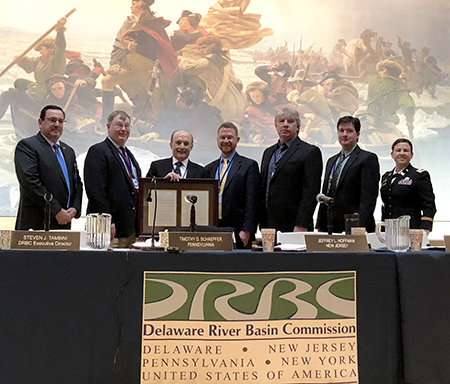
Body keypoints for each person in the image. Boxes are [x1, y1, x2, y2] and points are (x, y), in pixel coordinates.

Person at [14, 105, 83, 230]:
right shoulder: (28, 146)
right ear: (40, 123)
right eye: (52, 120)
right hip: (37, 224)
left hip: (64, 223)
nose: (57, 124)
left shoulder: (68, 151)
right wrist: (56, 210)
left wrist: (75, 208)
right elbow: (30, 183)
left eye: (60, 121)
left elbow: (77, 183)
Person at [84, 110, 141, 248]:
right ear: (108, 127)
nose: (123, 129)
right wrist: (106, 221)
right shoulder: (98, 151)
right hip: (109, 230)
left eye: (127, 126)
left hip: (130, 229)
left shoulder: (128, 154)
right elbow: (95, 191)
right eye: (119, 125)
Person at [260, 107, 322, 233]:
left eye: (291, 121)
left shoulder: (309, 152)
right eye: (282, 121)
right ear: (276, 126)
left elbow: (311, 191)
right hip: (268, 223)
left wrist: (302, 224)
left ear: (298, 126)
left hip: (294, 225)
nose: (285, 125)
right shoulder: (268, 152)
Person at [316, 116, 380, 233]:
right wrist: (320, 224)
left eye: (349, 131)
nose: (344, 134)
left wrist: (359, 227)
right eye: (341, 130)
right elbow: (326, 194)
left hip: (354, 225)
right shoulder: (331, 161)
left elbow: (368, 198)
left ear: (358, 134)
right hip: (330, 225)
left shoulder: (367, 158)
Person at [205, 122, 260, 248]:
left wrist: (247, 229)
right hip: (213, 229)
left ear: (237, 140)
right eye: (222, 137)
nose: (226, 141)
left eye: (230, 137)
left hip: (239, 230)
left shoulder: (249, 166)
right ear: (217, 140)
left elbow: (253, 201)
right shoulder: (209, 169)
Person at [179, 36, 247, 123]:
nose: (201, 51)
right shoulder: (225, 59)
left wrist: (180, 59)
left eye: (204, 47)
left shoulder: (207, 62)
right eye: (200, 48)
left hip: (222, 102)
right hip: (237, 99)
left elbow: (187, 68)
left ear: (214, 46)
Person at [380, 138, 436, 233]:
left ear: (411, 155)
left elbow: (429, 205)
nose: (402, 153)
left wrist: (425, 230)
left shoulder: (419, 175)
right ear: (392, 154)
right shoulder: (386, 177)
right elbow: (386, 206)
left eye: (406, 151)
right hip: (389, 232)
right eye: (398, 150)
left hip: (411, 230)